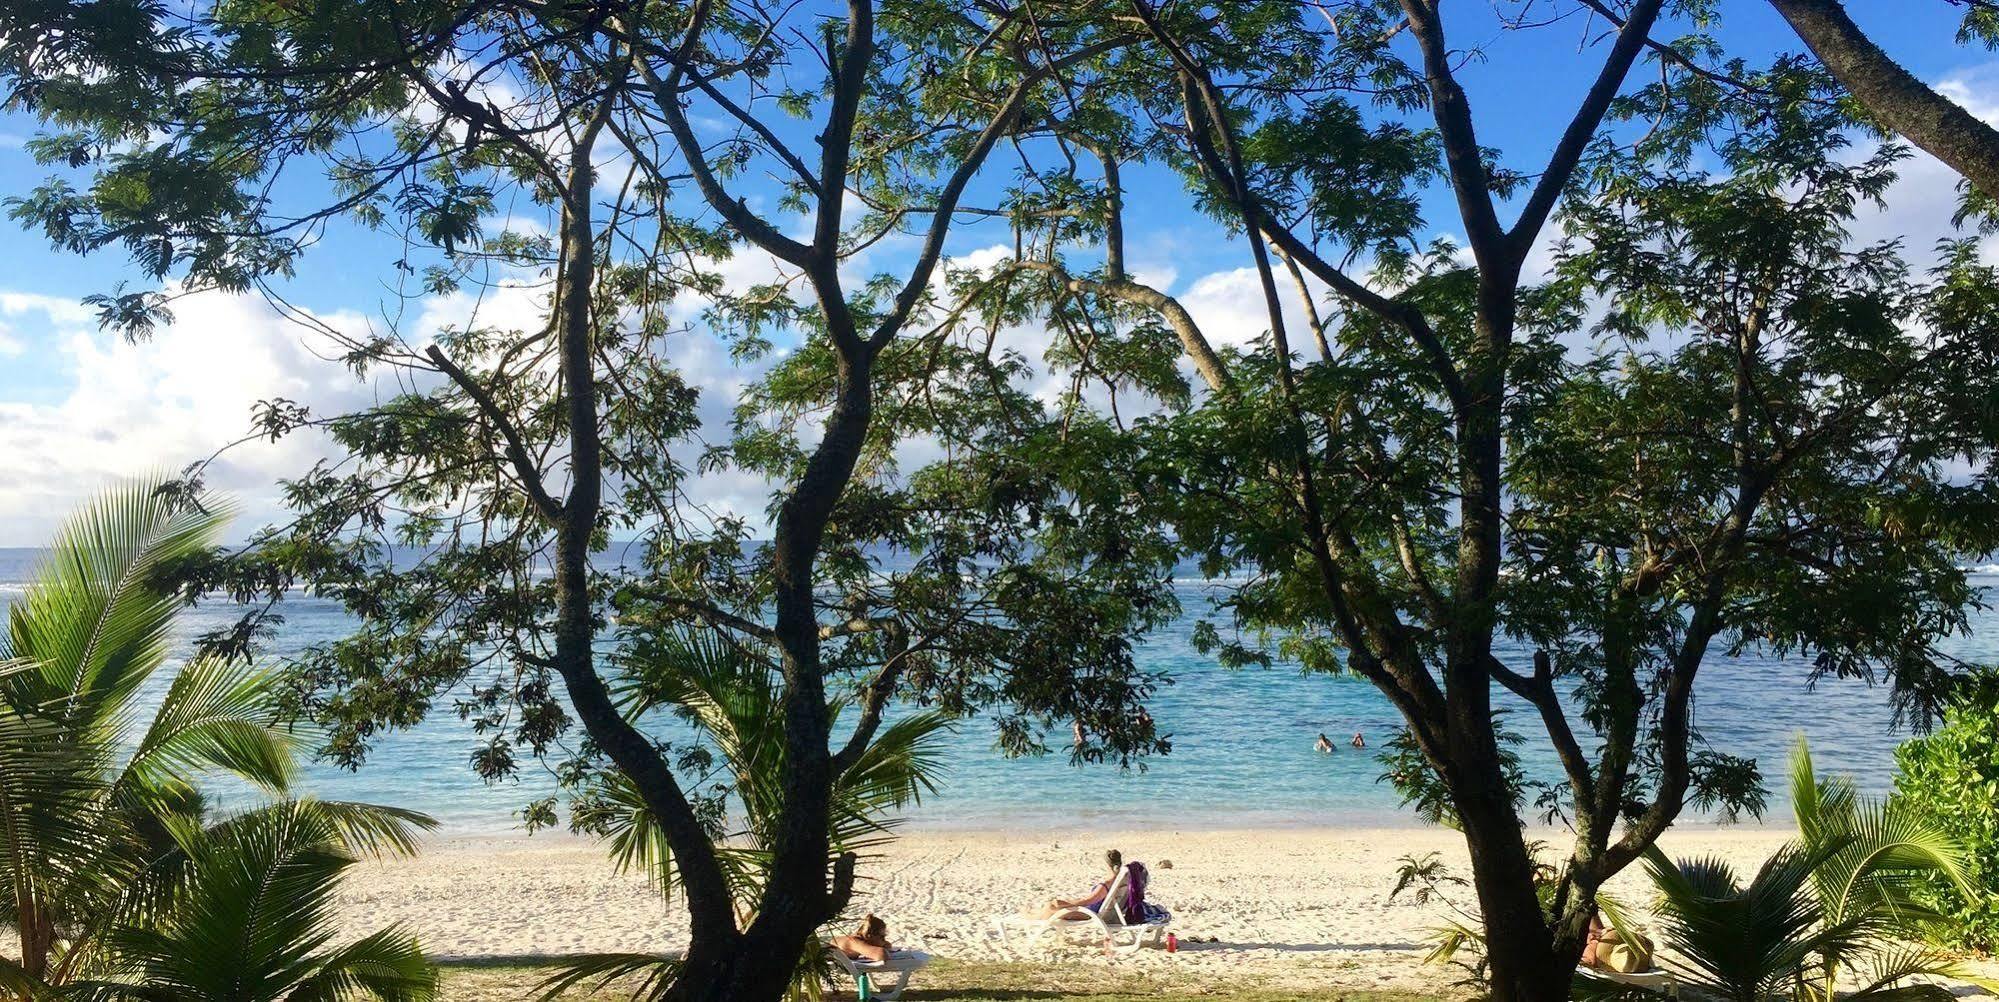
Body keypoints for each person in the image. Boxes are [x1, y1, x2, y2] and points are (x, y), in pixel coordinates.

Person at [1031, 849, 1122, 919]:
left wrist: (1068, 905)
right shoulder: (1121, 881)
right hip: (1103, 911)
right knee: (1054, 904)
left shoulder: (1106, 884)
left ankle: (1032, 917)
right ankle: (1035, 914)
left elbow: (1086, 901)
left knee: (1051, 907)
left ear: (1106, 865)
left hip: (1090, 913)